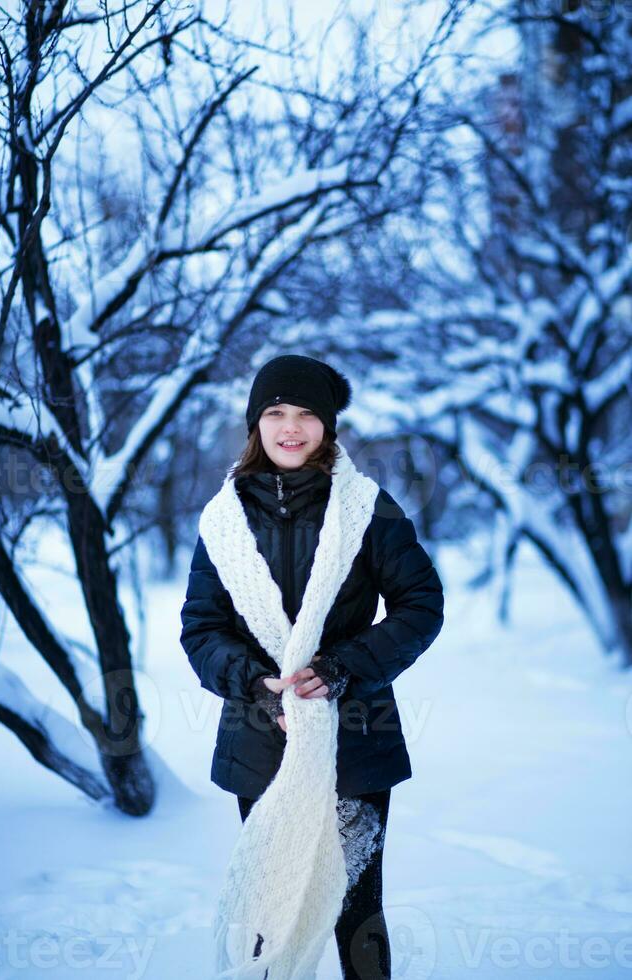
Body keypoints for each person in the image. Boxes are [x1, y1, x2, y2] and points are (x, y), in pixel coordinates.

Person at [180, 354, 444, 980]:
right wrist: (252, 682)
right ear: (256, 424)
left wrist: (346, 666)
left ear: (327, 426)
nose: (290, 427)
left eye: (306, 414)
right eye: (275, 412)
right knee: (265, 914)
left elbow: (421, 604)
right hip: (259, 742)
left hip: (355, 741)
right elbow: (201, 628)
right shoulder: (223, 521)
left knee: (357, 914)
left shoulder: (368, 510)